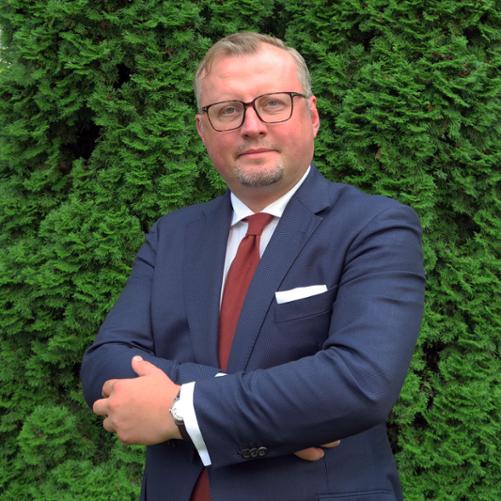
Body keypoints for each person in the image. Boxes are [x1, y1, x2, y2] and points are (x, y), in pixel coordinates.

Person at [81, 32, 425, 501]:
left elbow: (359, 382)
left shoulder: (374, 226)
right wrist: (285, 412)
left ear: (312, 116)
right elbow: (105, 360)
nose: (252, 126)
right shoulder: (172, 234)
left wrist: (179, 408)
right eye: (228, 110)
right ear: (203, 130)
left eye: (273, 104)